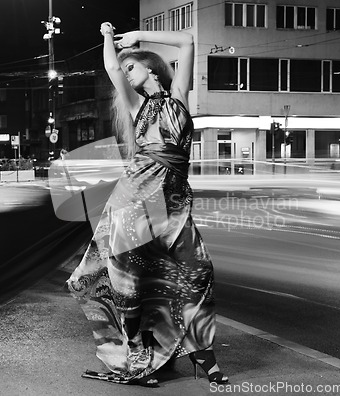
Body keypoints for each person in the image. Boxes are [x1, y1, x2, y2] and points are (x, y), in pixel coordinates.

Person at [66, 22, 228, 387]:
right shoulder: (136, 104)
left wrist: (139, 38)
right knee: (130, 283)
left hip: (172, 205)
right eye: (124, 71)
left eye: (132, 66)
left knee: (198, 274)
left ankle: (203, 355)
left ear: (151, 69)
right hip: (135, 201)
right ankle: (136, 356)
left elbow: (186, 41)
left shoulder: (180, 97)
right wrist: (108, 38)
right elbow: (110, 67)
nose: (125, 74)